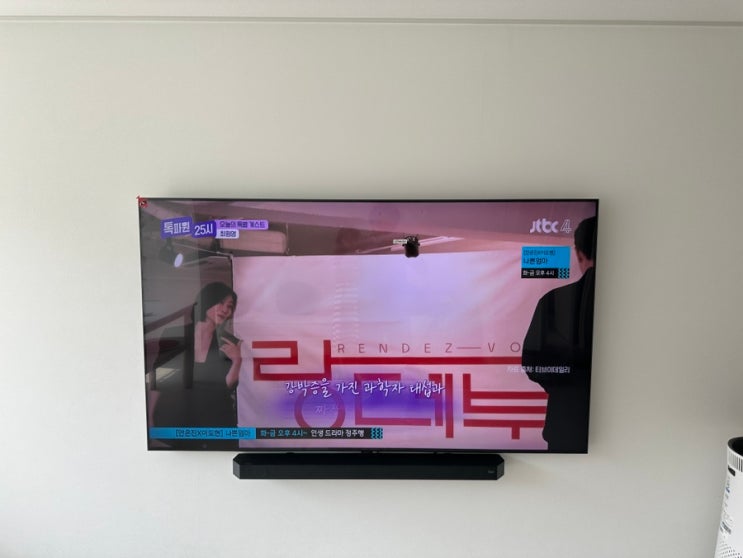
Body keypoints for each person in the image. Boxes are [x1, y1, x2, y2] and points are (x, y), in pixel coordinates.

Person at [522, 217, 597, 452]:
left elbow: (532, 363)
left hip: (567, 422)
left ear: (579, 253)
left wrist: (564, 387)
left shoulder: (553, 300)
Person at [179, 281, 243, 448]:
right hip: (181, 417)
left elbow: (228, 386)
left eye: (230, 306)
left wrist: (237, 361)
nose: (225, 310)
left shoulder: (230, 342)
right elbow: (157, 383)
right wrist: (150, 419)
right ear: (207, 300)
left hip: (219, 420)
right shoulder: (176, 335)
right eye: (221, 302)